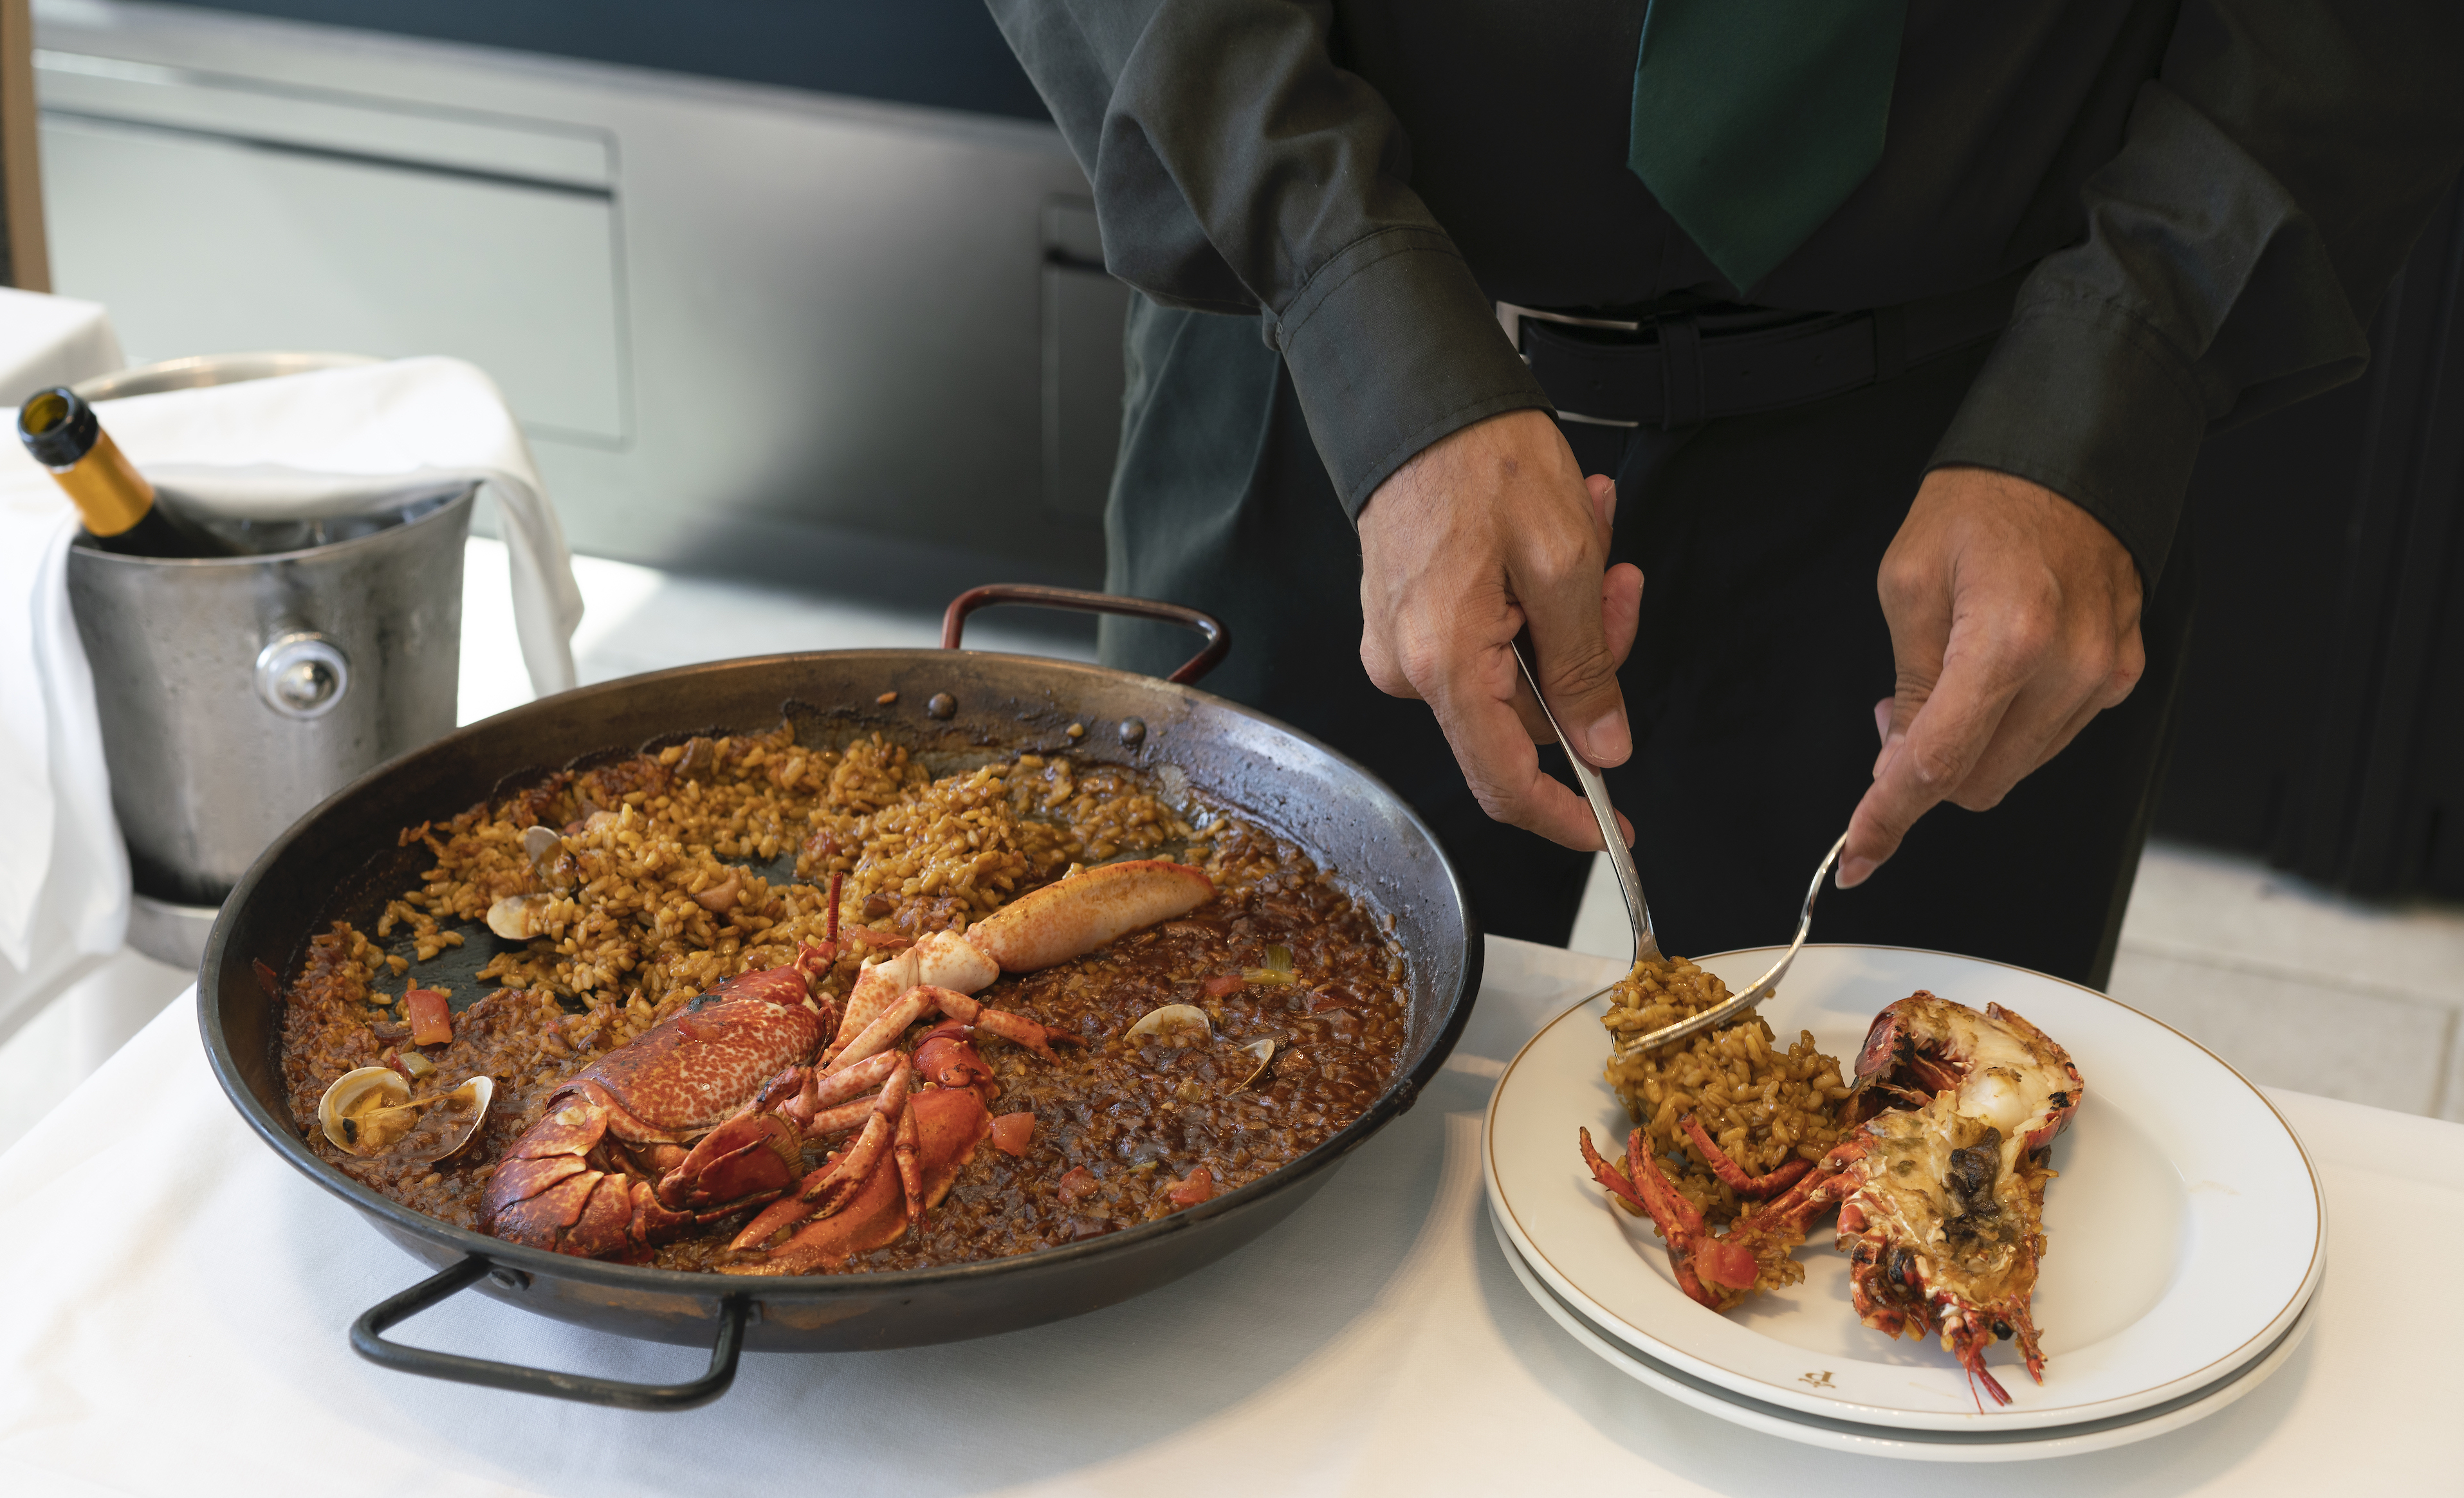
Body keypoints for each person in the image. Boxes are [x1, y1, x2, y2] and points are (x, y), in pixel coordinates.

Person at [985, 0, 2464, 983]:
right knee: (1205, 1092)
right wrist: (1348, 298)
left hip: (1979, 432)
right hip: (1312, 380)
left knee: (1890, 1254)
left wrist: (2123, 365)